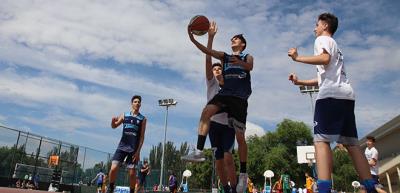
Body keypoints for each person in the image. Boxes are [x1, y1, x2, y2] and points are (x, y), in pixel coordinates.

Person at [287, 12, 378, 193]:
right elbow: (323, 76)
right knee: (352, 144)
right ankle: (371, 187)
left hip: (330, 96)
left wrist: (298, 58)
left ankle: (323, 189)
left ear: (325, 26)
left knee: (321, 141)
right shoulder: (336, 47)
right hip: (346, 95)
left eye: (317, 24)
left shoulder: (322, 40)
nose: (315, 28)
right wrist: (300, 82)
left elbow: (324, 58)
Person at [182, 19, 253, 193]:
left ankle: (242, 174)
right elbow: (208, 52)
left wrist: (238, 62)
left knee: (240, 138)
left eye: (236, 39)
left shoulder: (246, 56)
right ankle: (198, 151)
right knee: (206, 111)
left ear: (242, 44)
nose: (233, 40)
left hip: (239, 100)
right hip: (225, 97)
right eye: (232, 39)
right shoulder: (224, 58)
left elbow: (249, 66)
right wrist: (194, 40)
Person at [106, 95, 147, 193]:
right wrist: (112, 122)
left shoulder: (143, 119)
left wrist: (138, 152)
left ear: (140, 104)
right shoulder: (125, 115)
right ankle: (111, 187)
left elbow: (142, 137)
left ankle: (132, 191)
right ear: (132, 103)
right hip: (122, 147)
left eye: (138, 102)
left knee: (132, 174)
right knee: (113, 168)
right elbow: (114, 126)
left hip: (133, 149)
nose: (137, 103)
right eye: (135, 101)